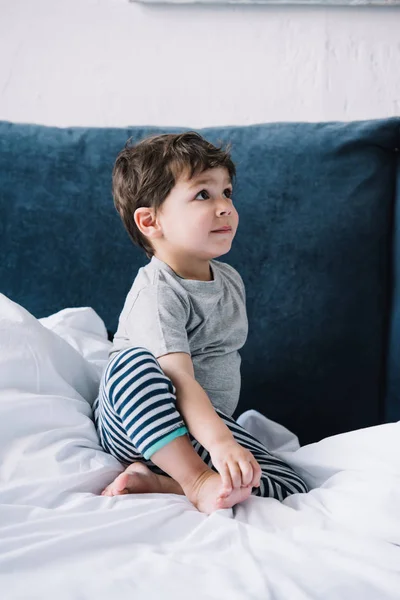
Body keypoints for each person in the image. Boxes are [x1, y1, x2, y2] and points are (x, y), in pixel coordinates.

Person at [93, 131, 308, 514]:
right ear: (150, 220)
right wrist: (222, 443)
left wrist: (222, 439)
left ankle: (164, 483)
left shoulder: (229, 280)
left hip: (202, 427)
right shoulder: (158, 292)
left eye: (227, 193)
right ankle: (195, 480)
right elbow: (179, 380)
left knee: (291, 485)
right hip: (139, 420)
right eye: (203, 195)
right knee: (132, 366)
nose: (224, 206)